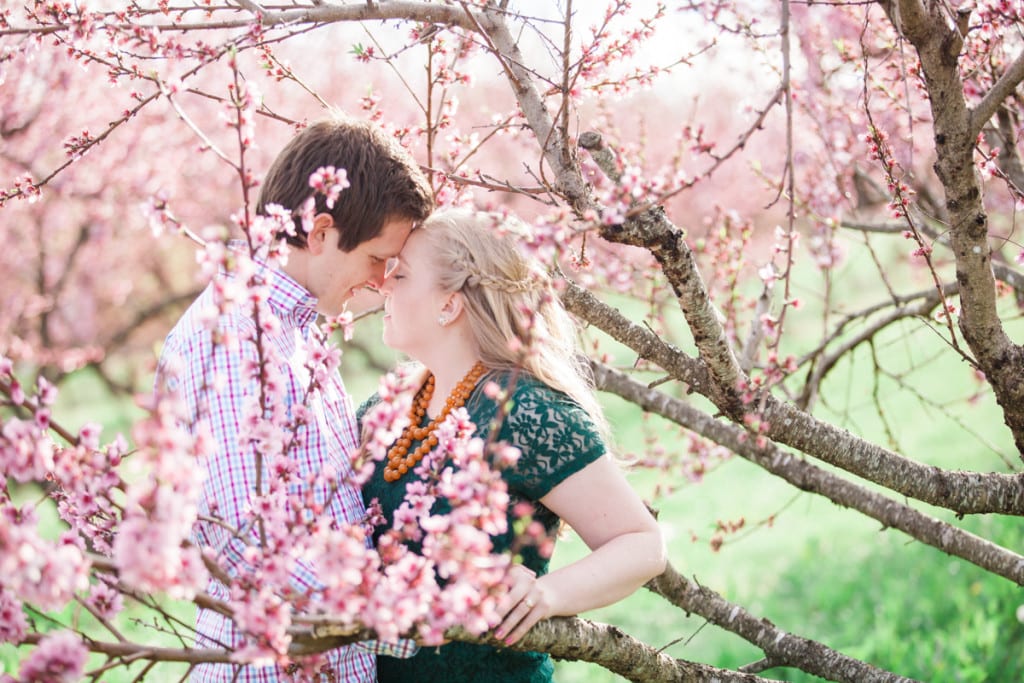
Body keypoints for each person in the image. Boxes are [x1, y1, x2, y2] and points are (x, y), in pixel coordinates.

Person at [156, 117, 434, 682]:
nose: (383, 282)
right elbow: (251, 548)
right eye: (379, 258)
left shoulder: (295, 328)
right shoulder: (236, 337)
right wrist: (411, 617)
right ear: (320, 232)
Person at [358, 209, 667, 682]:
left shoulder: (525, 411)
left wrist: (549, 594)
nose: (382, 286)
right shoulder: (386, 409)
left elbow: (641, 543)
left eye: (400, 274)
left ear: (450, 304)